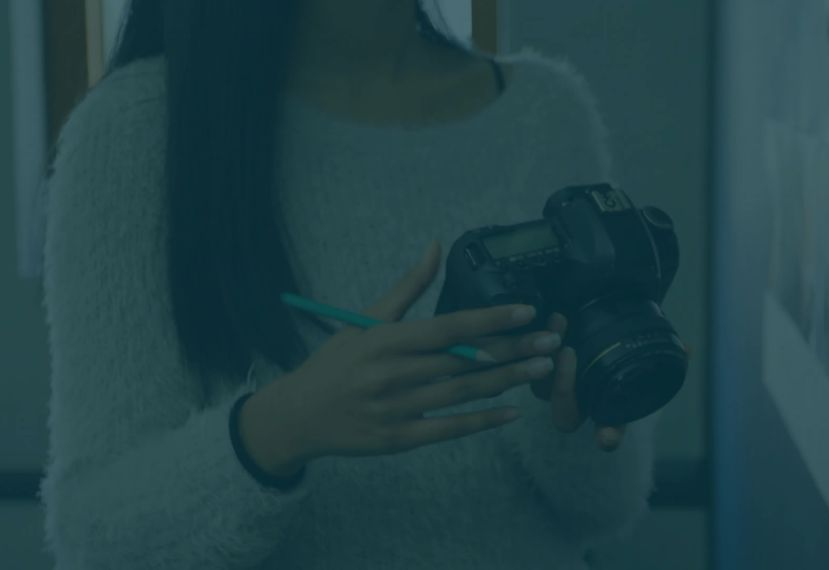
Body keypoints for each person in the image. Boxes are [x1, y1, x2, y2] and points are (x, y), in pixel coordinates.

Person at [37, 1, 660, 568]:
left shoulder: (545, 113)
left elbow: (609, 508)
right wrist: (280, 430)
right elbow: (95, 539)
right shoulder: (135, 131)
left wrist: (569, 410)